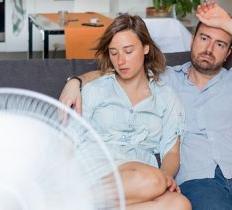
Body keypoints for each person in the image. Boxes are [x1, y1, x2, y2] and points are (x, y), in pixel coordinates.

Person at [60, 1, 232, 209]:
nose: (209, 49)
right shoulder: (165, 80)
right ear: (192, 40)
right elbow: (121, 68)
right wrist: (76, 81)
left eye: (220, 44)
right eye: (204, 39)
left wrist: (229, 25)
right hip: (199, 181)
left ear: (228, 52)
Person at [71, 14, 191, 210]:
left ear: (145, 48)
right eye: (114, 52)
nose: (120, 61)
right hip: (99, 169)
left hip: (141, 181)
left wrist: (166, 177)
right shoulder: (96, 89)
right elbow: (72, 137)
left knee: (180, 204)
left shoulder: (166, 96)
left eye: (128, 51)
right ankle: (76, 197)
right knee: (154, 181)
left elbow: (171, 151)